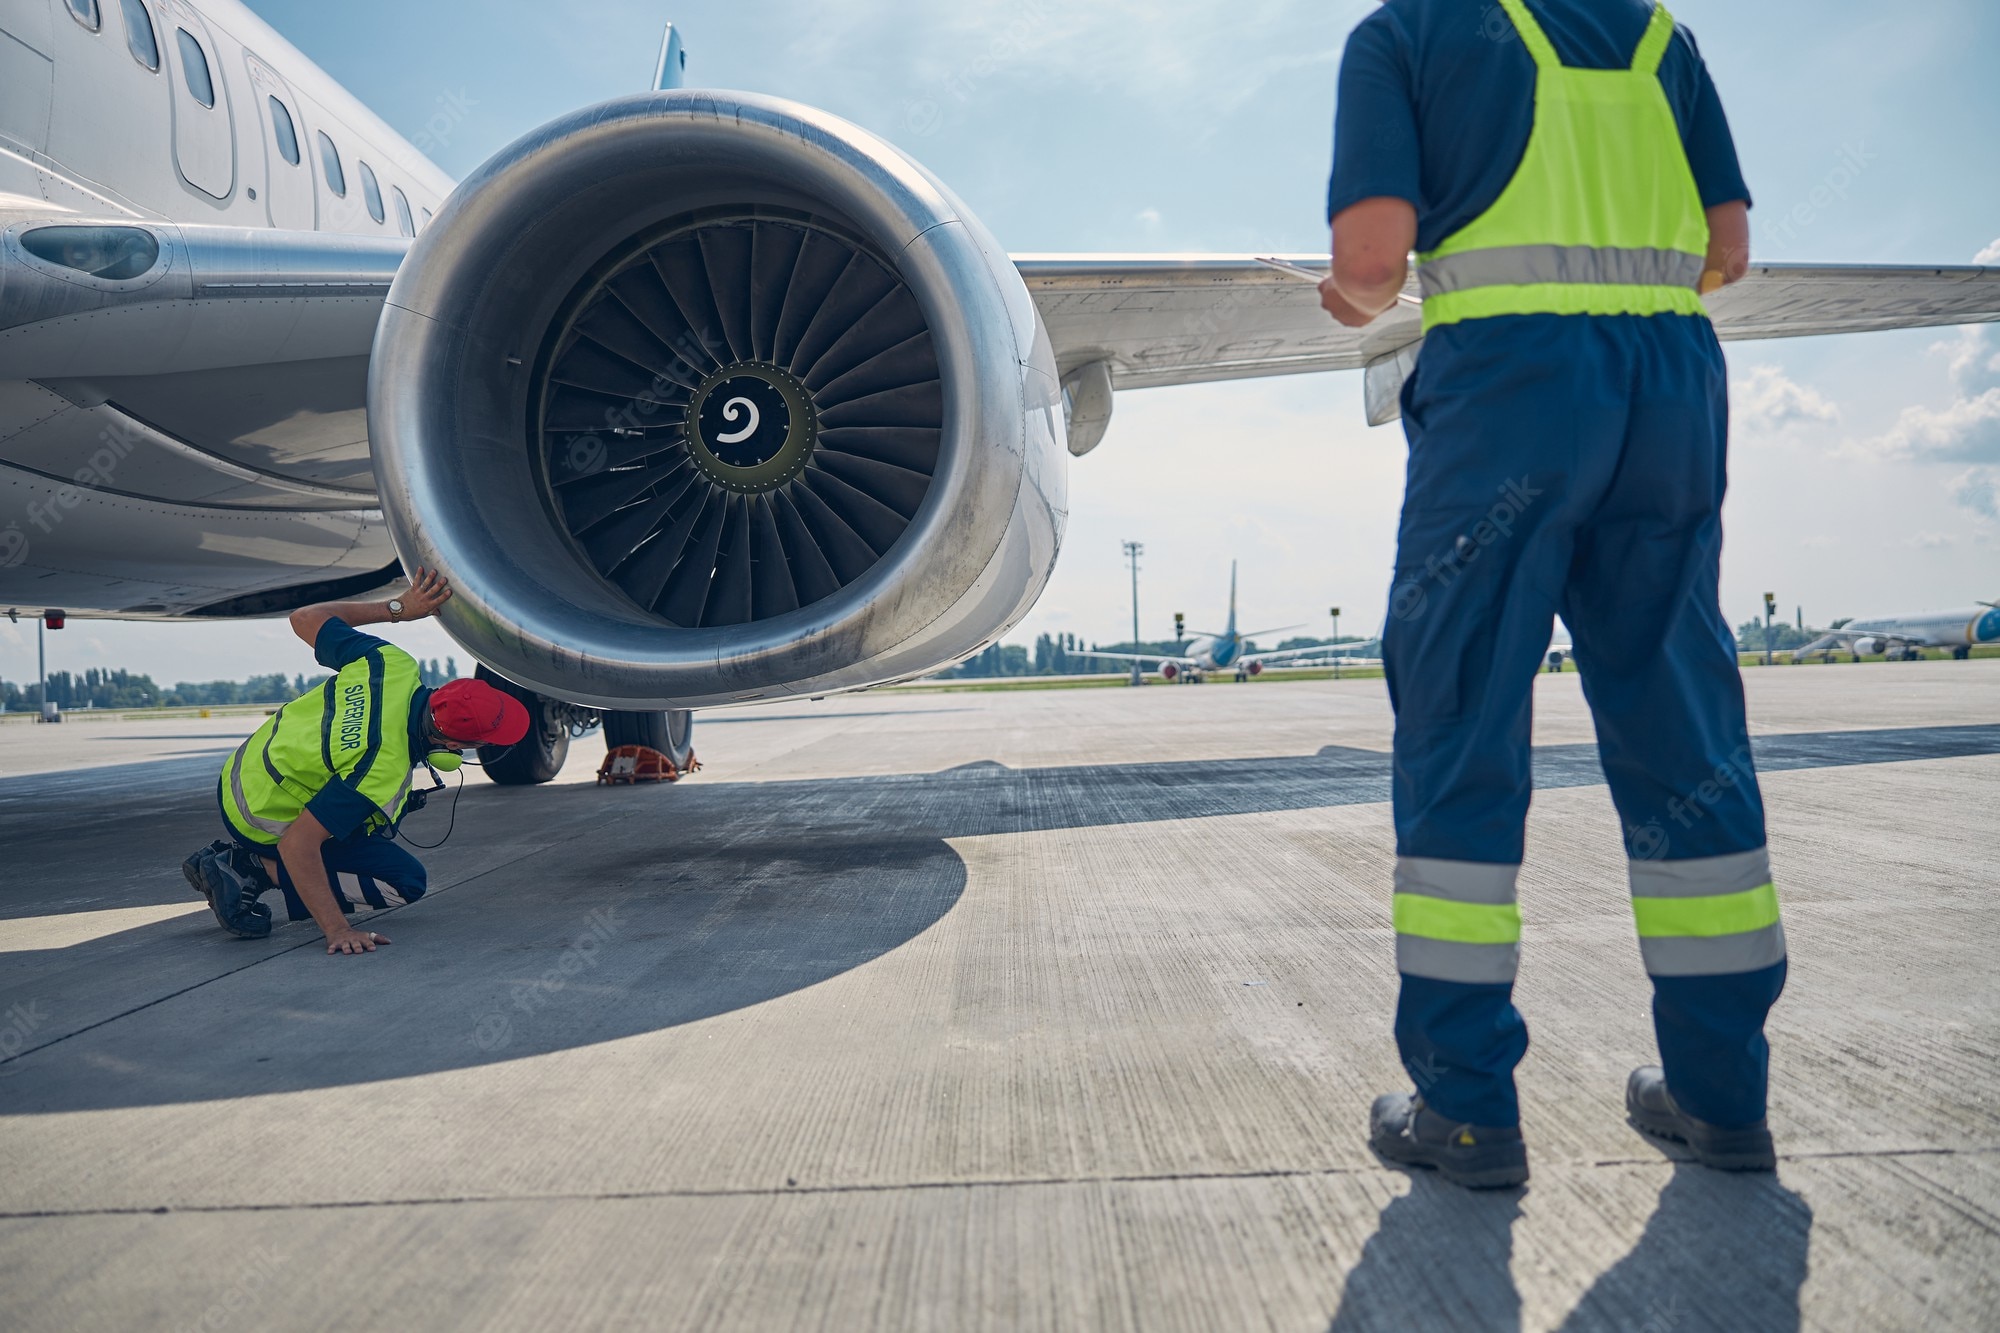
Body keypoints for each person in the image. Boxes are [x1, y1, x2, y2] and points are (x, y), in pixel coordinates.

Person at [1320, 0, 1783, 1188]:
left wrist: (1351, 299)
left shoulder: (1402, 36)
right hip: (1669, 388)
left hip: (1509, 394)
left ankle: (1467, 1110)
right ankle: (1720, 1098)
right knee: (1682, 723)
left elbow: (1373, 266)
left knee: (1462, 723)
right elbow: (1727, 250)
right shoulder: (1660, 38)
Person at [181, 570, 531, 955]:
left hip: (244, 770)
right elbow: (299, 844)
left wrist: (397, 608)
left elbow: (304, 618)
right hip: (259, 813)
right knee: (403, 882)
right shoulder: (380, 766)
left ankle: (248, 863)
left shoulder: (390, 664)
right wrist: (337, 930)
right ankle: (246, 866)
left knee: (370, 824)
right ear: (449, 744)